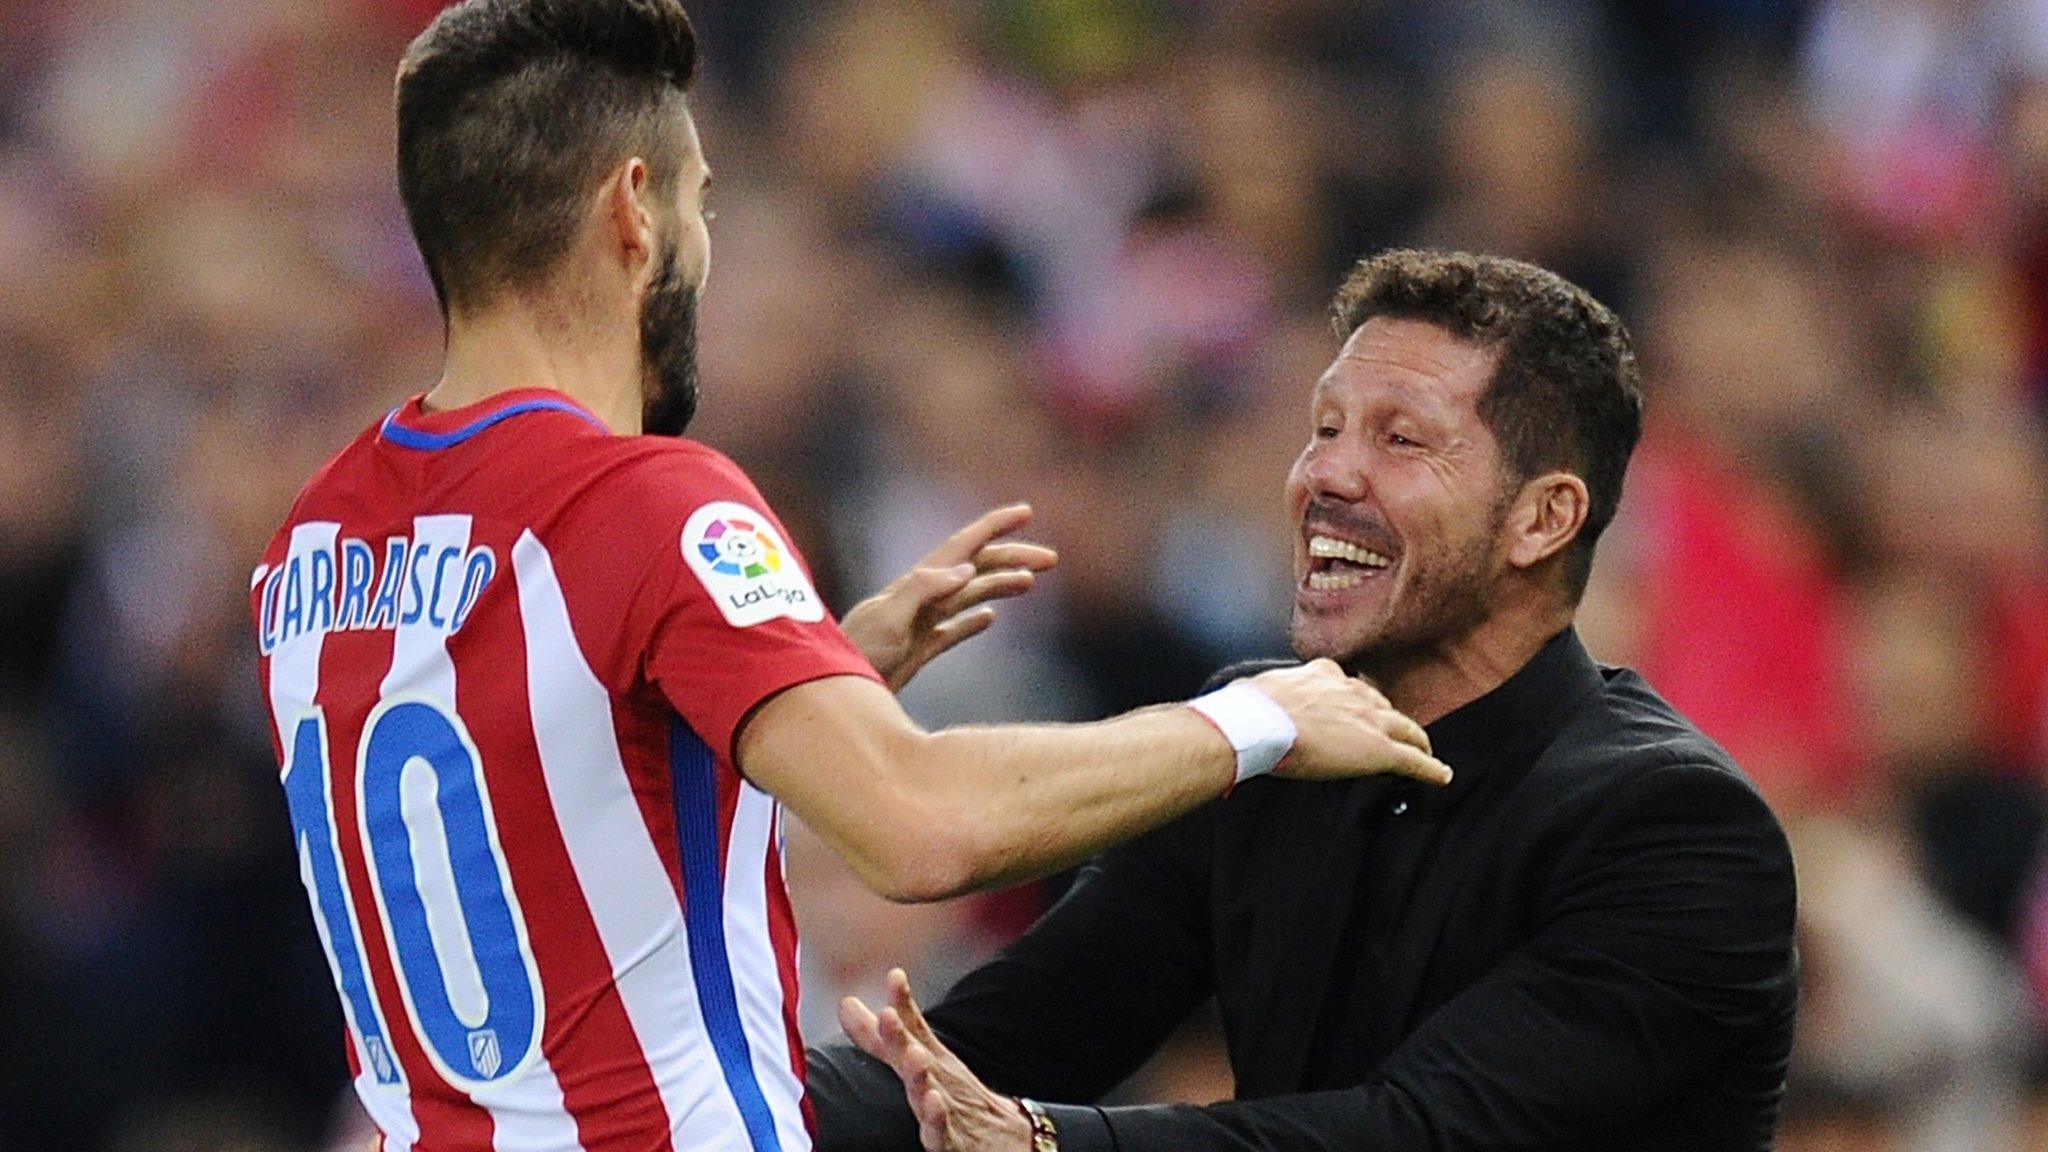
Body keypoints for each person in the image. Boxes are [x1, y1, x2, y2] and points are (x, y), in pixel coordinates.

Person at [247, 3, 1452, 1150]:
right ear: (632, 210)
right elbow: (922, 827)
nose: (702, 250)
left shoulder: (314, 541)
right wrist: (1257, 719)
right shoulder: (643, 499)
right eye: (699, 203)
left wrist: (813, 668)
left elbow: (533, 801)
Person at [810, 250, 1801, 1152]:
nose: (1324, 472)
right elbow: (983, 1055)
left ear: (1542, 517)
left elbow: (1420, 1133)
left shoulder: (1675, 830)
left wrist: (1046, 1143)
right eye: (1323, 427)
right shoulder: (1265, 745)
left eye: (1399, 439)